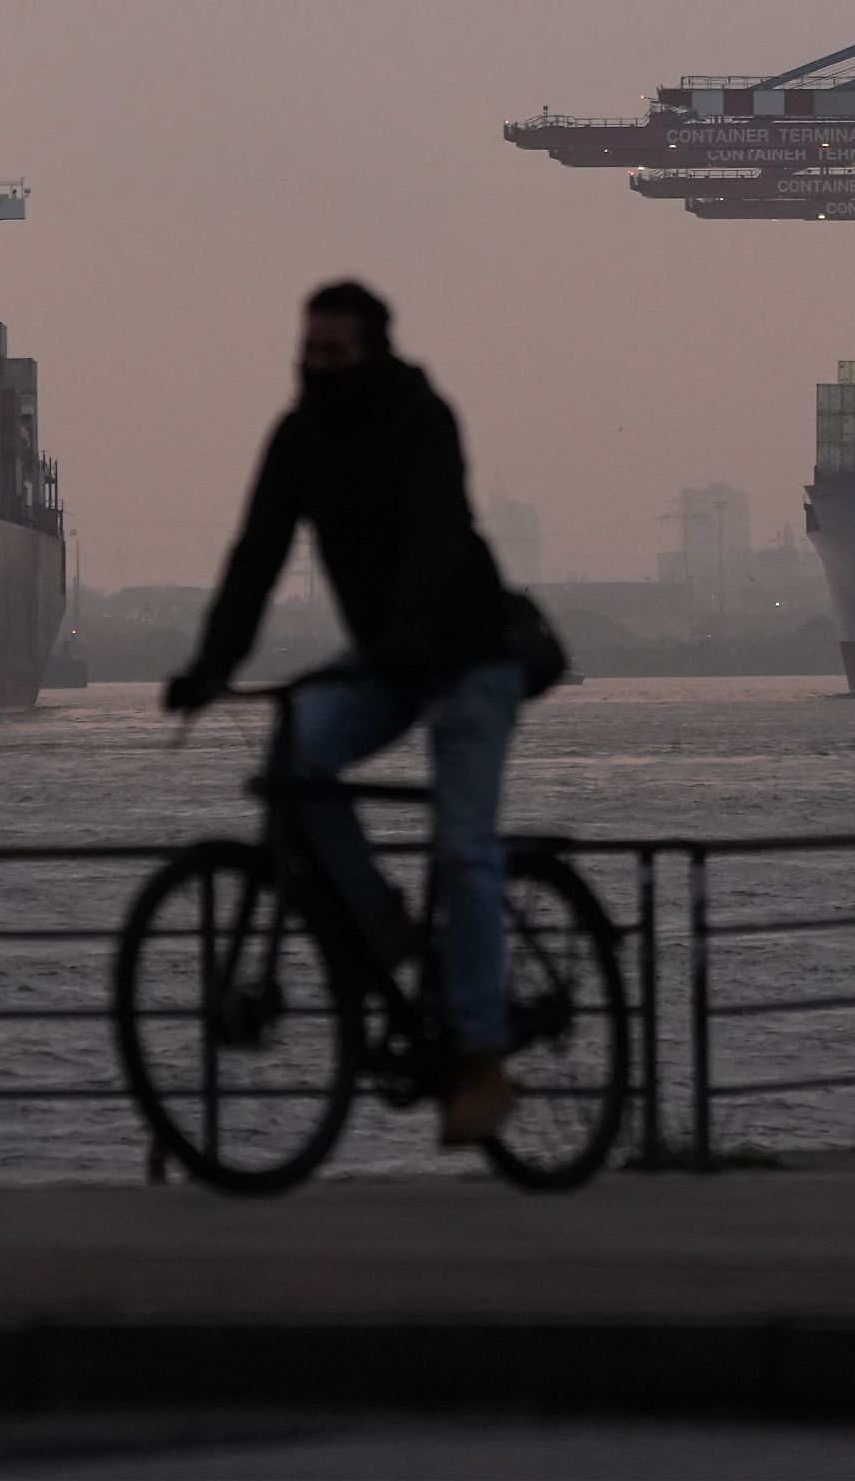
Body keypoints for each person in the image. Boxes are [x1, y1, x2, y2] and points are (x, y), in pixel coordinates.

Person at [165, 280, 526, 1146]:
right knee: (296, 758)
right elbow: (256, 556)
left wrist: (404, 641)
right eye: (308, 351)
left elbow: (437, 538)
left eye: (333, 352)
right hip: (389, 659)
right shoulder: (299, 438)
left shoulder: (420, 419)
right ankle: (383, 927)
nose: (317, 366)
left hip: (472, 654)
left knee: (463, 847)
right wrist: (211, 666)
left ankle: (482, 1058)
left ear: (372, 352)